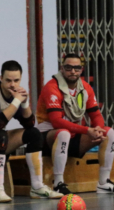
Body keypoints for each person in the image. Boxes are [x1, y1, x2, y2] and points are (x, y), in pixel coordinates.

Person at [0, 60, 63, 202]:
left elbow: (29, 123)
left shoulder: (14, 95)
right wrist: (16, 101)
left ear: (21, 79)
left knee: (34, 133)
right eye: (8, 80)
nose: (12, 84)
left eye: (16, 80)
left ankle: (37, 187)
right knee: (0, 134)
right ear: (1, 79)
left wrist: (24, 103)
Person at [36, 53, 114, 194]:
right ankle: (58, 183)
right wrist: (86, 130)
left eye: (76, 68)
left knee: (109, 132)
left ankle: (104, 182)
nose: (73, 71)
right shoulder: (52, 87)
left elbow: (95, 113)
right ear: (62, 68)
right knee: (63, 133)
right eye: (68, 67)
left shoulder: (85, 87)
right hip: (48, 137)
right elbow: (56, 121)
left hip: (74, 135)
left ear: (81, 69)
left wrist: (98, 129)